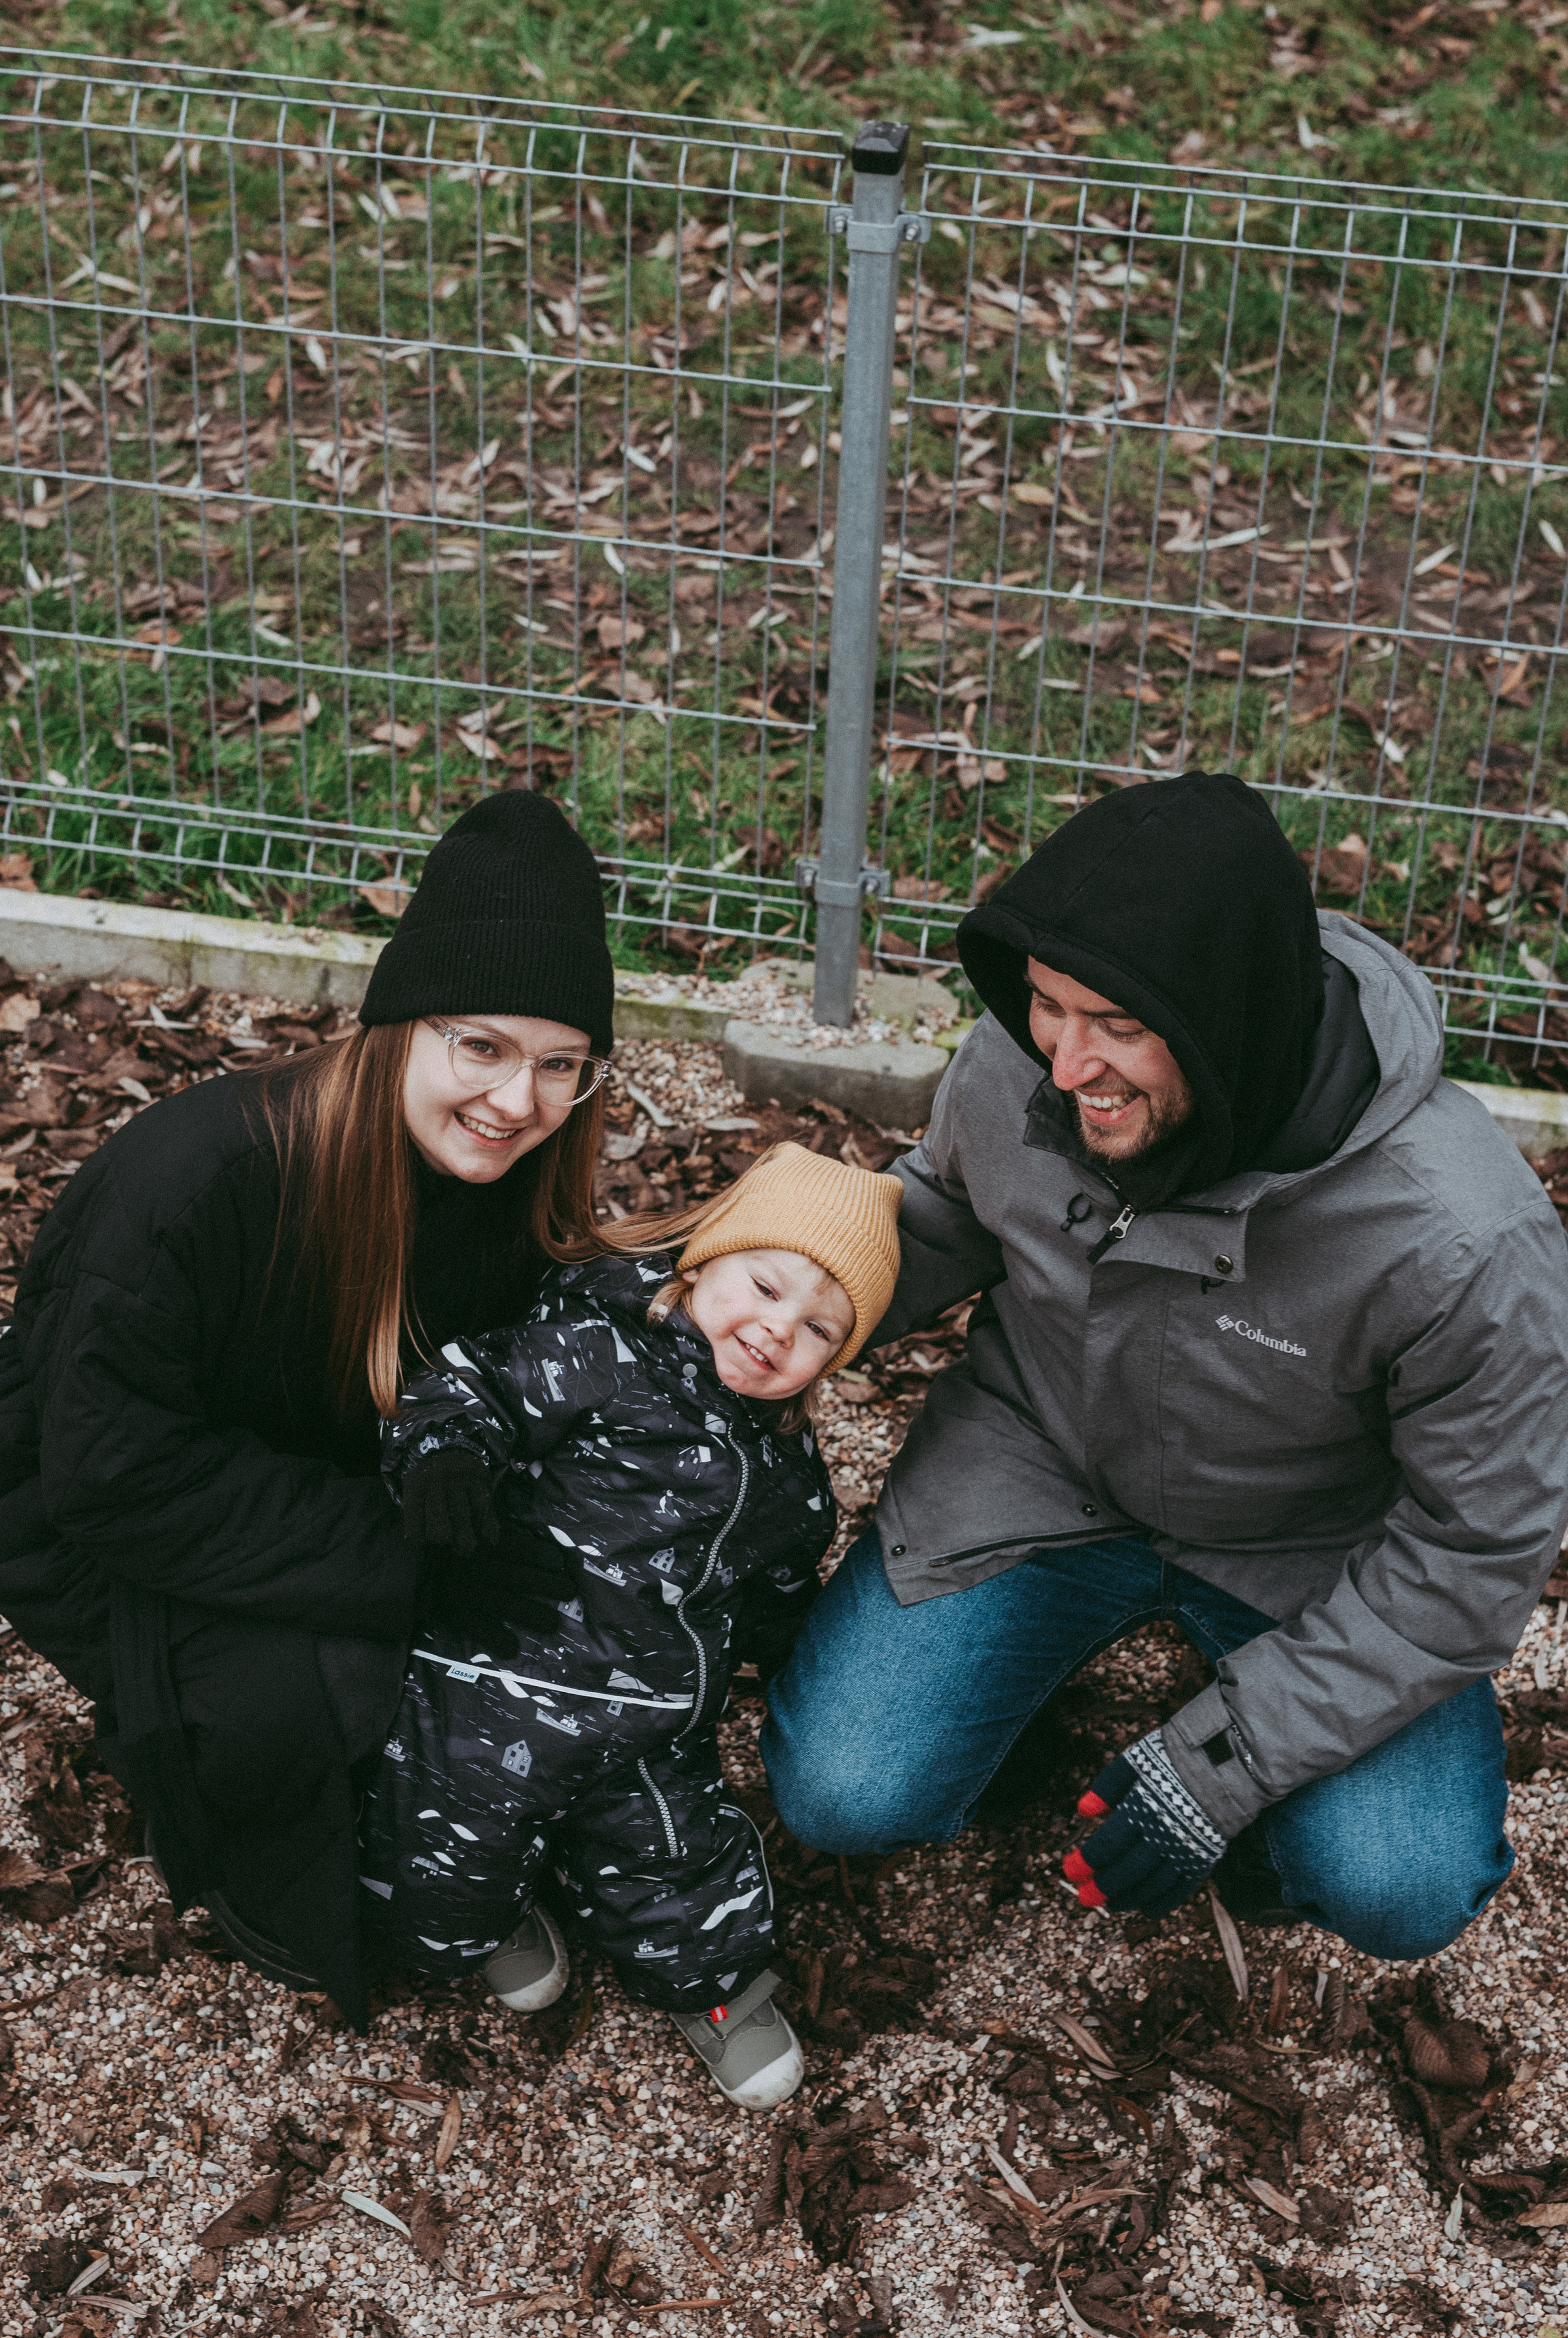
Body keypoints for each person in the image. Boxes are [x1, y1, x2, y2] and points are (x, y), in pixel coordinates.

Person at [762, 772, 1568, 1956]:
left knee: (1398, 1884)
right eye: (1047, 1006)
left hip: (1309, 1549)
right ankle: (1018, 1699)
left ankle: (1266, 1844)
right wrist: (768, 1290)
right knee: (846, 1792)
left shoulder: (1461, 1240)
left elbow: (1474, 1549)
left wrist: (1226, 1766)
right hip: (1041, 1459)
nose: (1066, 1064)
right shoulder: (1021, 1065)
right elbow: (944, 1212)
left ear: (1227, 1028)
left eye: (1120, 1029)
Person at [0, 790, 617, 2023]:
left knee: (564, 1616)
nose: (517, 1102)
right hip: (96, 1520)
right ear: (400, 1028)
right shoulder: (196, 1179)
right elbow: (105, 1469)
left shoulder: (508, 1182)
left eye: (560, 1066)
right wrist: (400, 1561)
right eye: (481, 1048)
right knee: (320, 1702)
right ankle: (362, 1882)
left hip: (312, 1484)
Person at [361, 1141, 902, 2109]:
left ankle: (719, 1992)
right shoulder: (600, 1355)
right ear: (701, 1265)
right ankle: (494, 1913)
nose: (779, 1331)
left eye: (820, 1328)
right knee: (439, 1885)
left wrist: (789, 1637)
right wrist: (444, 1457)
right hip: (499, 1684)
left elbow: (779, 1580)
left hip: (653, 1727)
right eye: (764, 1287)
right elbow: (467, 1385)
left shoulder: (789, 1478)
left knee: (685, 1867)